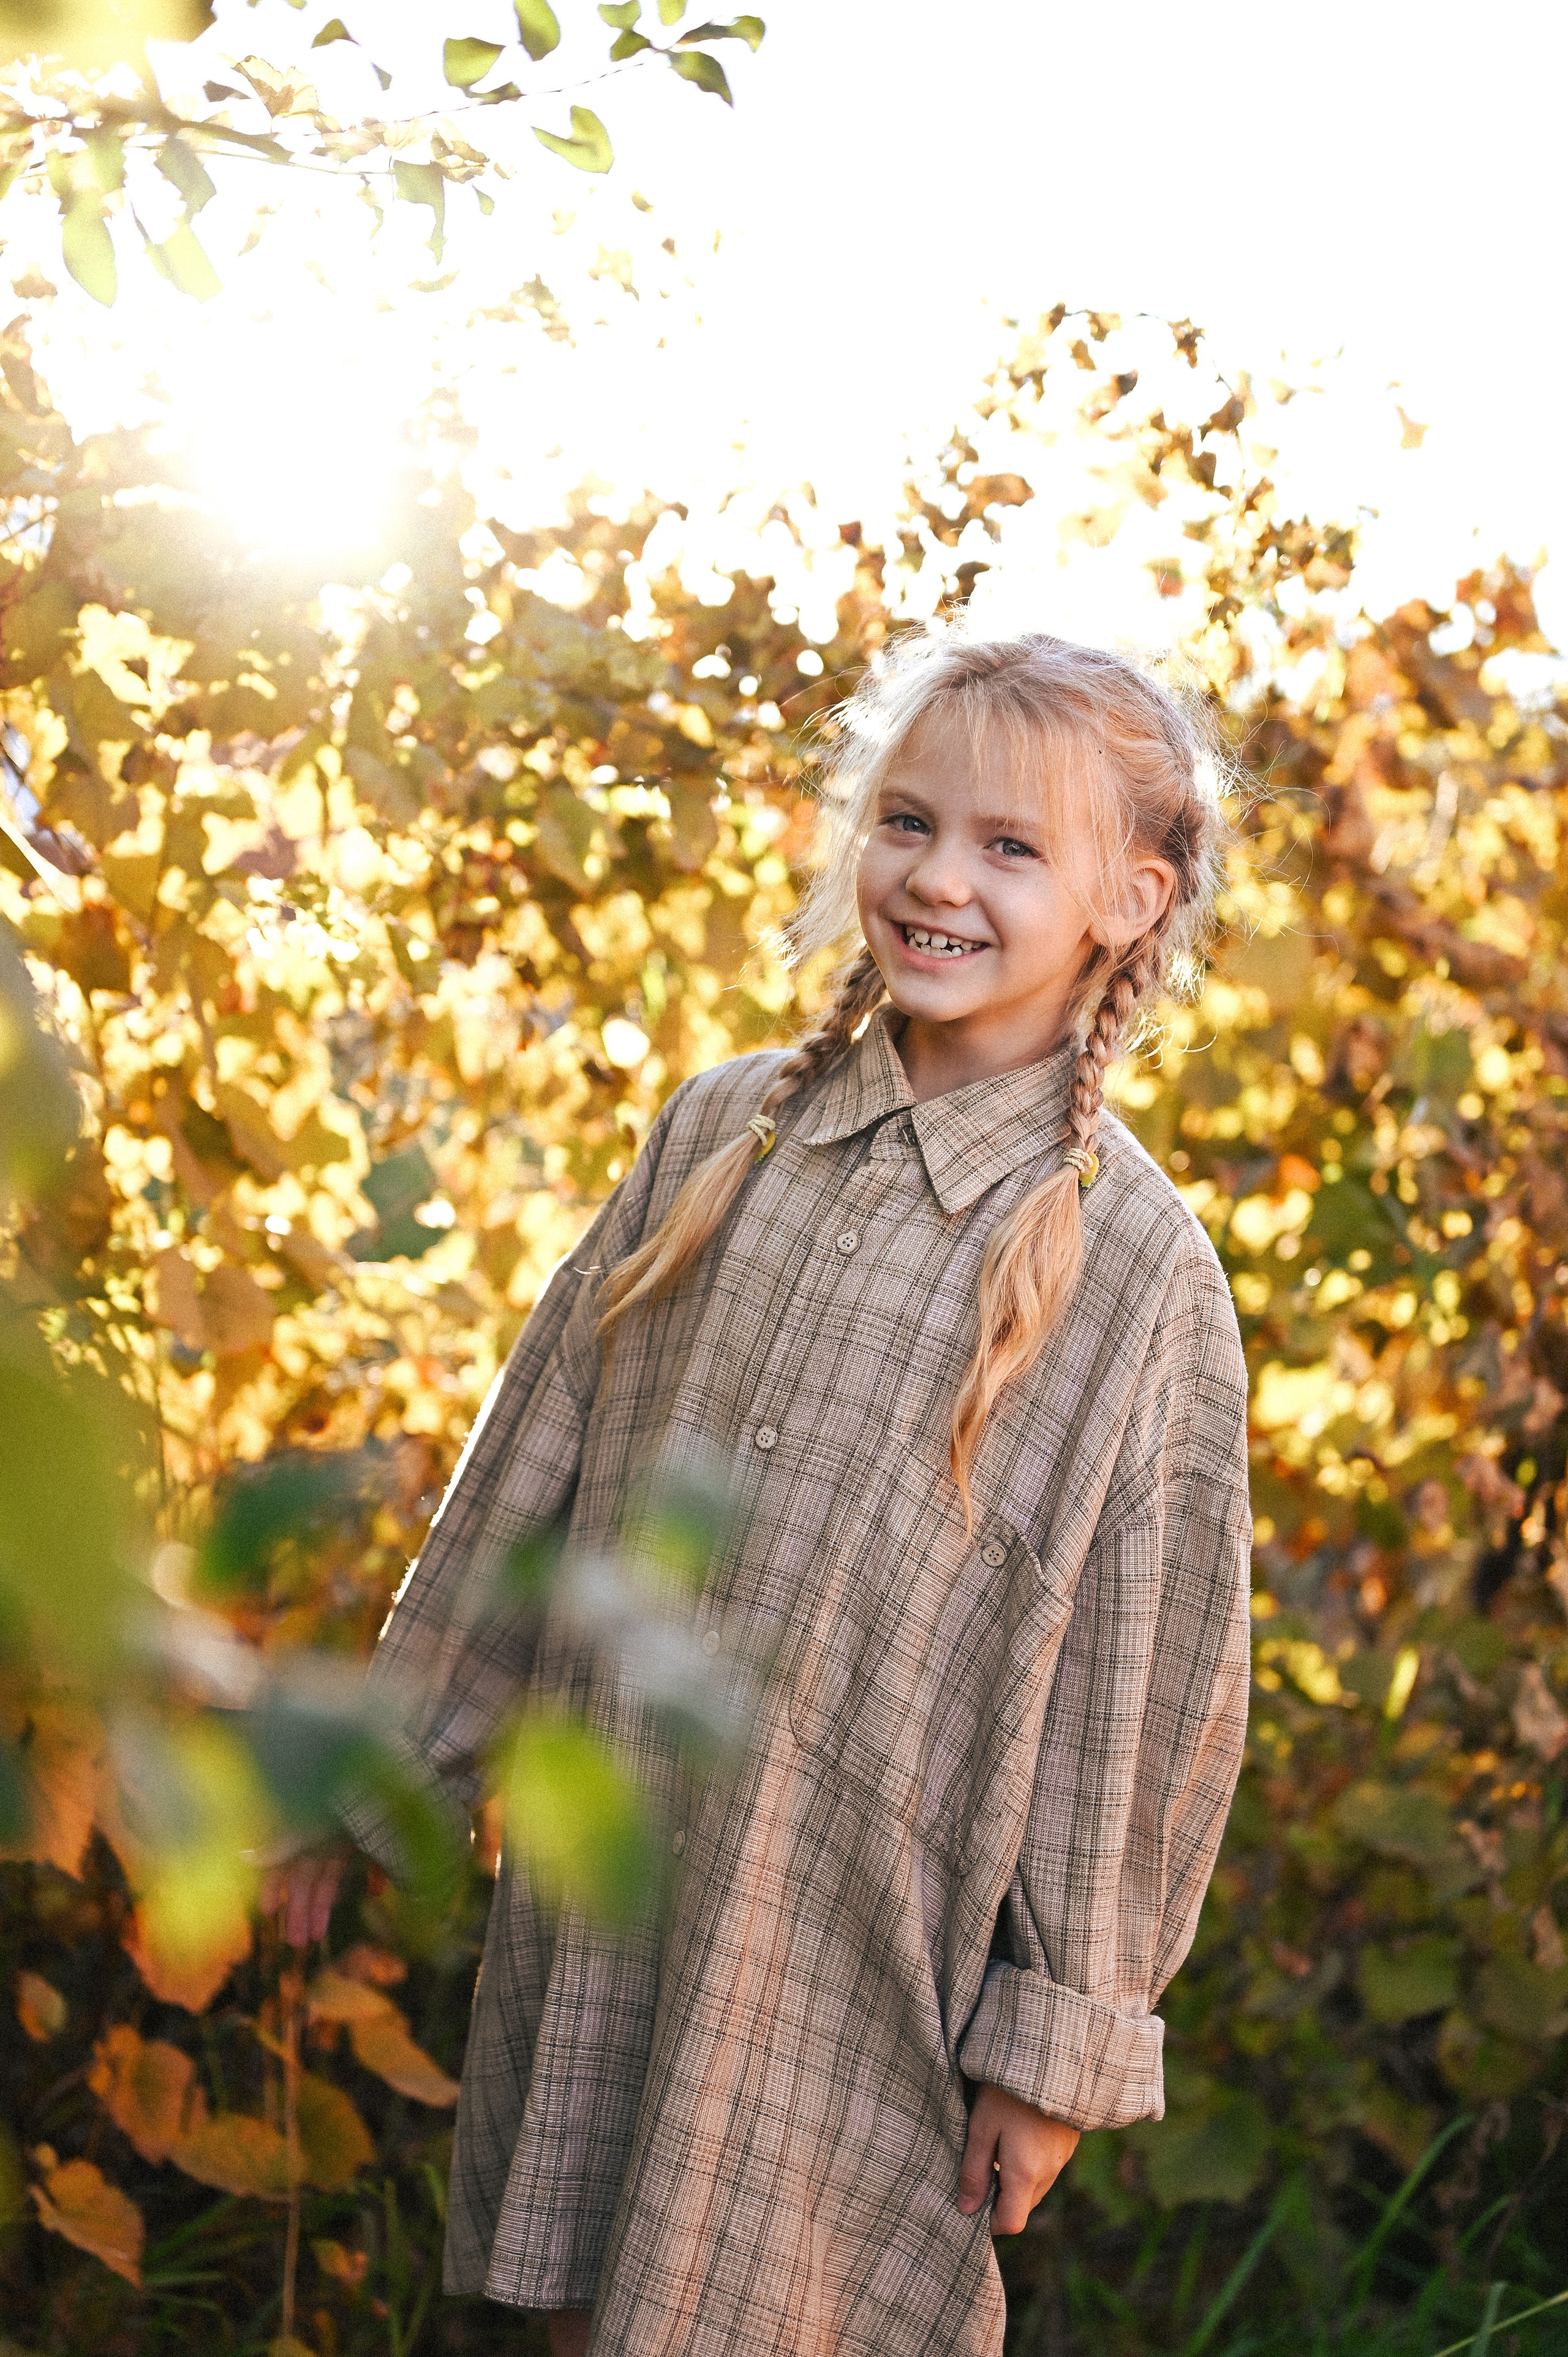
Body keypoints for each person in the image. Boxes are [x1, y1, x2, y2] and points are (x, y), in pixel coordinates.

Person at [266, 626, 1253, 2357]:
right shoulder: (724, 1136)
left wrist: (1065, 2036)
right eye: (906, 822)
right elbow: (526, 1485)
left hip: (851, 1938)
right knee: (570, 2296)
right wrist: (380, 1776)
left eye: (1011, 848)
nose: (937, 878)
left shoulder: (1137, 1274)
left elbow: (1143, 1692)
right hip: (619, 1873)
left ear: (1132, 900)